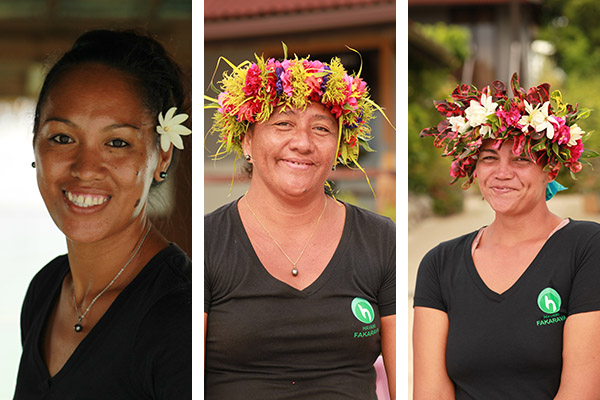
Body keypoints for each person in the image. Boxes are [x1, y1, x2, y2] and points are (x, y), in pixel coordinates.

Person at [204, 48, 396, 399]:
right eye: (283, 123)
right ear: (246, 139)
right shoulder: (205, 243)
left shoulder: (382, 240)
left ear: (339, 145)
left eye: (321, 128)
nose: (303, 143)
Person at [13, 30, 192, 399]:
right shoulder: (45, 291)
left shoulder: (180, 318)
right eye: (62, 137)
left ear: (162, 157)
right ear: (35, 144)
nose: (86, 168)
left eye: (117, 143)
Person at [413, 74, 600, 399]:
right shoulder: (439, 264)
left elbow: (580, 392)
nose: (502, 173)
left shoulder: (586, 248)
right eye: (489, 158)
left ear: (551, 170)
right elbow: (432, 393)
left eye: (521, 159)